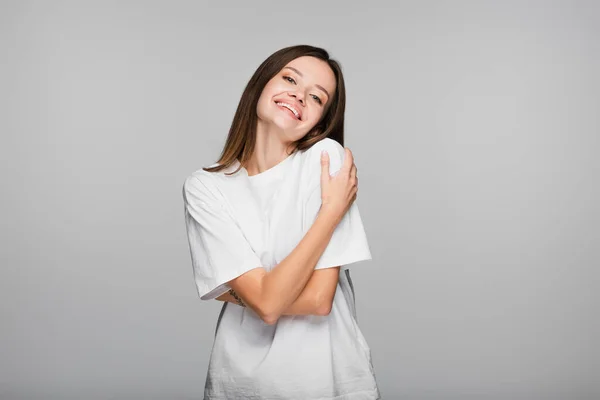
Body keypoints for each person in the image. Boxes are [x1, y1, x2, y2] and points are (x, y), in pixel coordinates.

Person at [182, 44, 380, 399]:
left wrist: (248, 294)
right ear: (261, 84)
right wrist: (329, 214)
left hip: (324, 382)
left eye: (316, 97)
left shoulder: (324, 160)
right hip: (239, 383)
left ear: (321, 119)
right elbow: (266, 302)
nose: (298, 95)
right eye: (289, 78)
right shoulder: (206, 187)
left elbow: (318, 300)